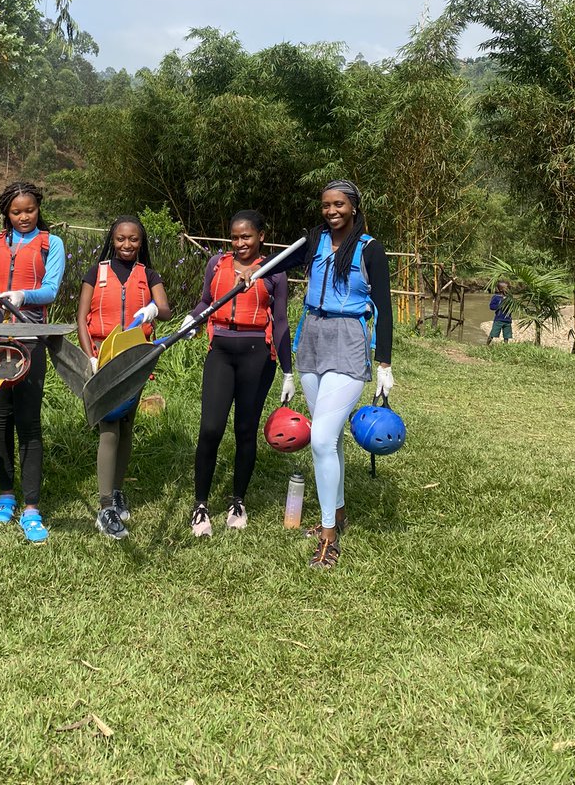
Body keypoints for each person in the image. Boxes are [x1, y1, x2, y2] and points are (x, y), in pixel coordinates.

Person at [282, 179, 393, 571]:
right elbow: (279, 265)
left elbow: (384, 306)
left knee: (321, 438)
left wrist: (385, 363)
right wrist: (252, 274)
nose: (331, 211)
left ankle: (329, 536)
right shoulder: (314, 243)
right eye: (326, 205)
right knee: (330, 440)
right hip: (311, 335)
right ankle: (339, 511)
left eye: (339, 205)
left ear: (354, 207)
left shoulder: (369, 249)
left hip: (348, 339)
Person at [179, 210, 292, 537]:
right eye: (235, 237)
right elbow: (205, 303)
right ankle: (201, 505)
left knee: (245, 430)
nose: (241, 243)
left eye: (247, 237)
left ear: (261, 237)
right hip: (222, 353)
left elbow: (281, 321)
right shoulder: (217, 264)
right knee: (211, 428)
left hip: (258, 356)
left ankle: (237, 501)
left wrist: (287, 370)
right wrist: (192, 319)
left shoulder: (274, 271)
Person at [0, 181, 66, 542]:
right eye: (16, 212)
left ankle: (31, 507)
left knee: (28, 422)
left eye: (30, 211)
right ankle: (5, 495)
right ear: (6, 213)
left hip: (29, 337)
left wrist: (23, 294)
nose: (24, 217)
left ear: (38, 209)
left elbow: (52, 290)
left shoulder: (51, 244)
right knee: (0, 416)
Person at [77, 215, 172, 539]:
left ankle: (117, 490)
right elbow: (81, 317)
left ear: (141, 242)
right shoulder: (97, 272)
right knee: (109, 428)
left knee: (127, 424)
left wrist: (153, 310)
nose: (127, 245)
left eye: (133, 239)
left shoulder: (148, 274)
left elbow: (166, 309)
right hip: (104, 356)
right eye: (121, 239)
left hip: (135, 356)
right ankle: (105, 508)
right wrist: (90, 355)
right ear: (112, 240)